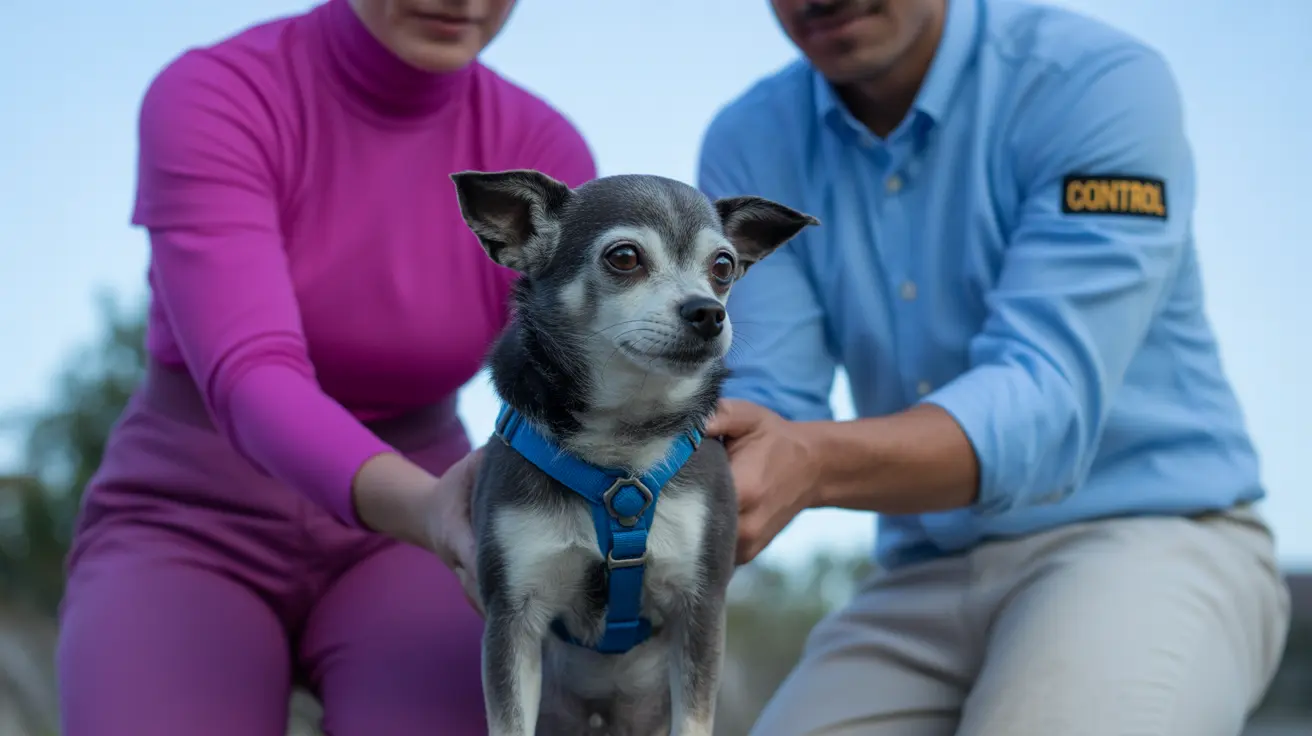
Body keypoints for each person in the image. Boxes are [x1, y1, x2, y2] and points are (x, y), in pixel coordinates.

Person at [698, 0, 1291, 734]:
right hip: (922, 572)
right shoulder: (751, 138)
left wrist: (808, 464)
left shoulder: (1097, 82)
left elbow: (1046, 403)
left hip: (1153, 533)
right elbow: (769, 405)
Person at [55, 0, 595, 734]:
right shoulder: (219, 93)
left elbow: (580, 388)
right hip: (189, 518)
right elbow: (253, 376)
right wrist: (436, 511)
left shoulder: (540, 153)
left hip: (420, 535)